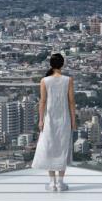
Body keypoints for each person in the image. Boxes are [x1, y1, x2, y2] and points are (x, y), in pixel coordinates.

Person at [30, 53, 75, 191]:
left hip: (49, 119)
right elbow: (71, 102)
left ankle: (52, 183)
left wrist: (40, 120)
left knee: (50, 148)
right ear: (62, 64)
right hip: (64, 119)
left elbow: (42, 102)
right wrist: (73, 120)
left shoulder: (45, 81)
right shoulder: (68, 80)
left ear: (50, 64)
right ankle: (60, 183)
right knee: (62, 149)